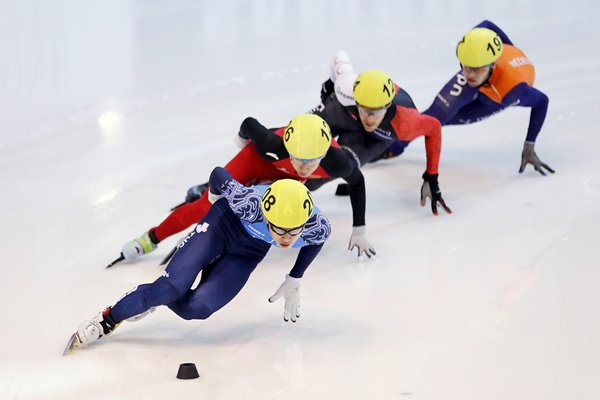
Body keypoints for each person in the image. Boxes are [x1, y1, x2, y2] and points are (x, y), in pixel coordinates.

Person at [65, 168, 331, 354]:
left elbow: (316, 242)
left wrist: (295, 277)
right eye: (278, 229)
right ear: (266, 215)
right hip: (222, 224)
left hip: (249, 251)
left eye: (293, 231)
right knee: (170, 288)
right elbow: (218, 174)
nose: (285, 239)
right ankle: (107, 320)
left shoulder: (317, 227)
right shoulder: (248, 203)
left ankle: (151, 298)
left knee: (197, 309)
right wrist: (214, 198)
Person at [119, 113, 376, 263]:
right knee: (203, 207)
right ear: (288, 148)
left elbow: (358, 183)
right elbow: (249, 123)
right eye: (299, 158)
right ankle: (151, 238)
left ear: (324, 155)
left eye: (312, 161)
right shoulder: (271, 144)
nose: (305, 167)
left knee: (267, 214)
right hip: (255, 161)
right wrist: (242, 143)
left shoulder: (338, 161)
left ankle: (215, 206)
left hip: (282, 181)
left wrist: (360, 229)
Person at [389, 20, 554, 175]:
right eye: (465, 67)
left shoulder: (512, 91)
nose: (468, 75)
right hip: (490, 75)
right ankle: (390, 147)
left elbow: (542, 102)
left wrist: (529, 145)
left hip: (494, 97)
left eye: (476, 69)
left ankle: (390, 146)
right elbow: (487, 24)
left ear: (493, 65)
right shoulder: (476, 63)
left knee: (441, 122)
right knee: (434, 116)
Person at [311, 54, 451, 215]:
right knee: (299, 141)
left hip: (371, 139)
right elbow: (339, 57)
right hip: (342, 113)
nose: (369, 119)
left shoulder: (405, 121)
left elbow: (434, 127)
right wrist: (331, 82)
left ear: (388, 106)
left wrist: (431, 177)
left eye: (376, 112)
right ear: (355, 100)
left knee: (323, 173)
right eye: (364, 110)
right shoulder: (345, 88)